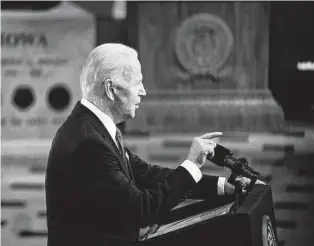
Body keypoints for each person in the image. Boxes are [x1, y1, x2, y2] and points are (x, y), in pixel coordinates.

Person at [45, 43, 257, 246]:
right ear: (111, 89)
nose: (143, 91)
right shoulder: (88, 142)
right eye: (137, 82)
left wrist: (222, 186)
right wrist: (192, 163)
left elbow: (146, 176)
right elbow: (141, 209)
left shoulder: (93, 128)